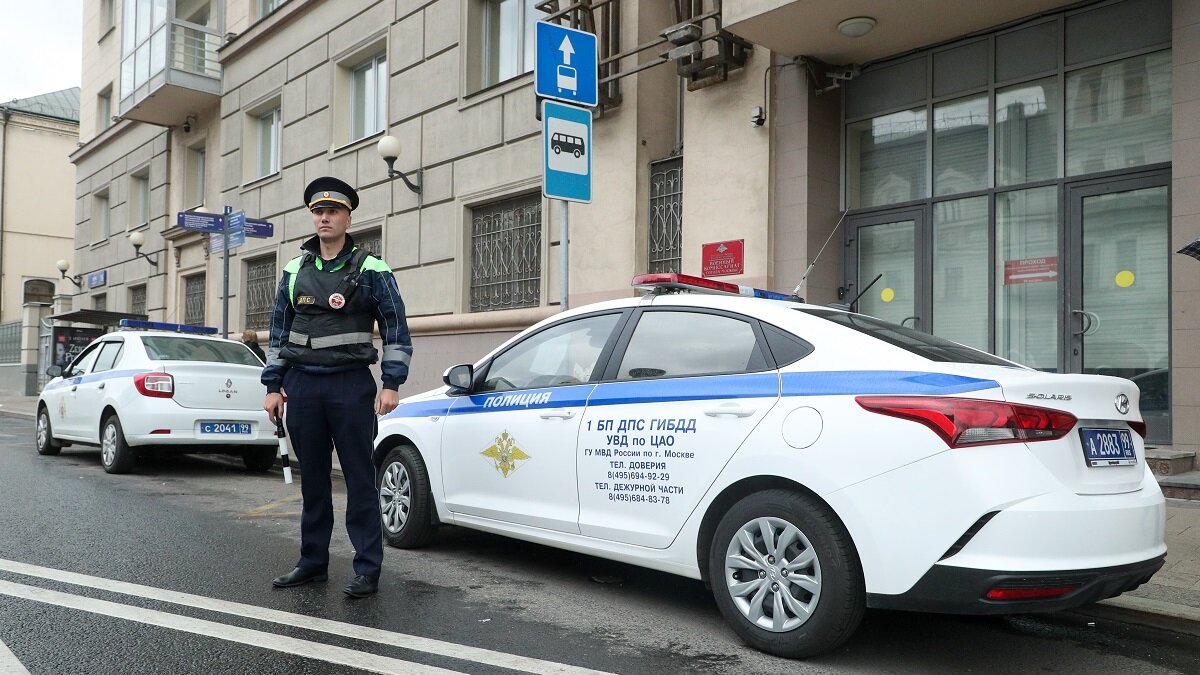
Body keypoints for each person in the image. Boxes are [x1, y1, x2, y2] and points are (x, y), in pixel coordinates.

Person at [262, 176, 413, 599]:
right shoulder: (295, 269)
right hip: (303, 387)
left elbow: (396, 328)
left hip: (350, 387)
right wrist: (273, 385)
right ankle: (313, 562)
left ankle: (367, 568)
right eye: (318, 212)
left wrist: (391, 383)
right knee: (313, 479)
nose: (325, 217)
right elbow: (279, 333)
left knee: (360, 479)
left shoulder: (371, 269)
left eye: (333, 211)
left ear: (348, 217)